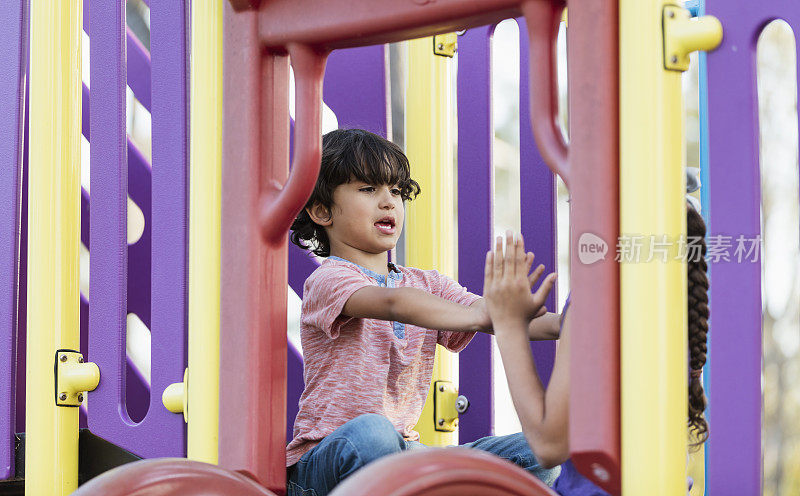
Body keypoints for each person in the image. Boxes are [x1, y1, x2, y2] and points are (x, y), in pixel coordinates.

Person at [286, 128, 562, 496]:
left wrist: (579, 322)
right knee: (373, 432)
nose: (388, 202)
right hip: (327, 460)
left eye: (396, 192)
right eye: (368, 190)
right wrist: (488, 315)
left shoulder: (429, 284)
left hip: (402, 455)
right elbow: (392, 304)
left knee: (536, 452)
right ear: (322, 211)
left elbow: (500, 318)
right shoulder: (328, 279)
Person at [483, 202, 710, 495]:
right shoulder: (669, 304)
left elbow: (549, 444)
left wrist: (509, 324)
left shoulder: (595, 300)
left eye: (577, 202)